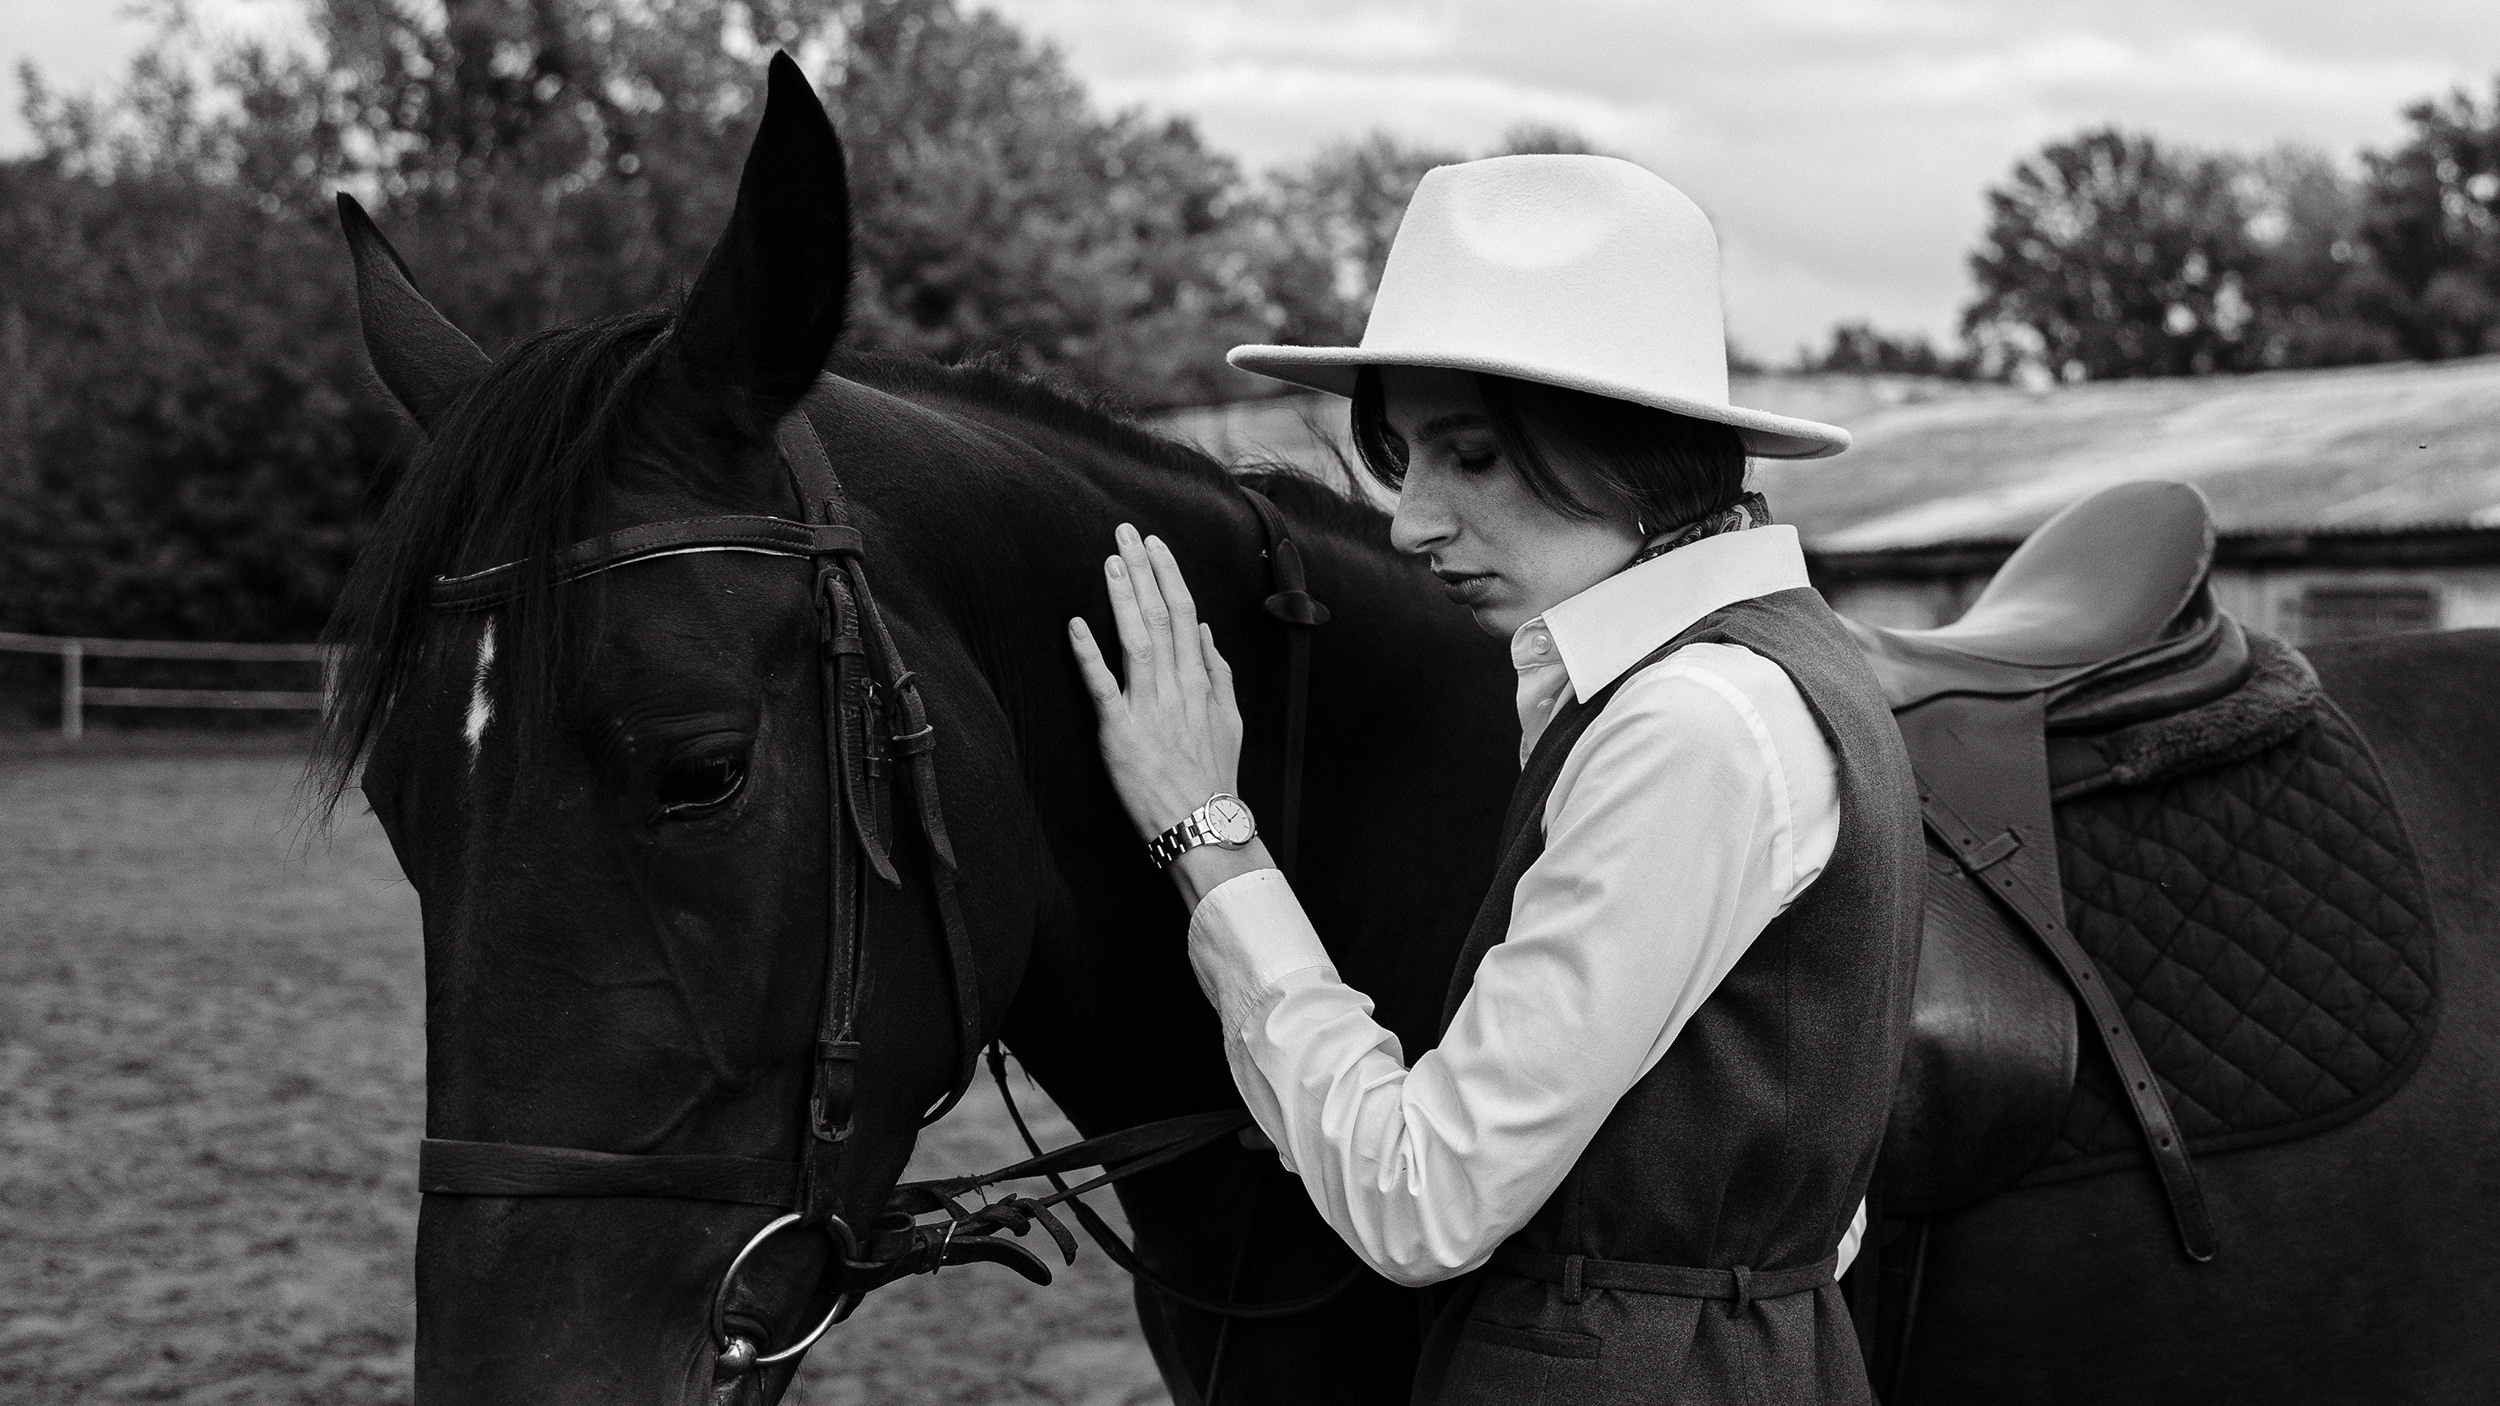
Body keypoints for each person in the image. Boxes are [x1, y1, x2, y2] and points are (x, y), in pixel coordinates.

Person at [1065, 155, 1923, 1404]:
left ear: (1636, 450)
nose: (1410, 521)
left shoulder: (1687, 722)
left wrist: (1209, 834)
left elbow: (1426, 1198)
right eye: (1405, 458)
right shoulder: (1742, 669)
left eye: (1469, 456)